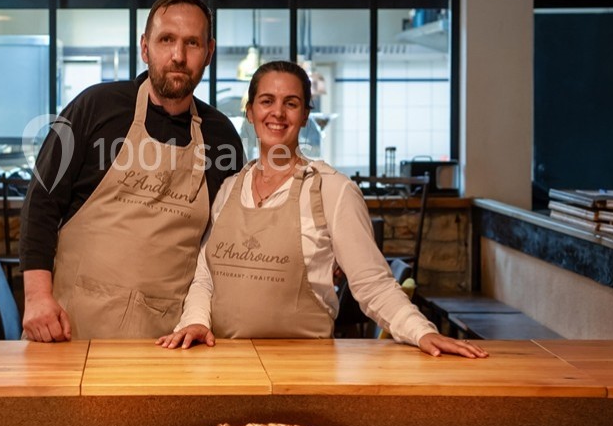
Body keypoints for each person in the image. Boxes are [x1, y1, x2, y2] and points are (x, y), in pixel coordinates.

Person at [158, 60, 487, 358]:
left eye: (291, 103)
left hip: (306, 368)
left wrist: (423, 332)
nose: (278, 113)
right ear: (250, 112)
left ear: (304, 116)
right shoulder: (229, 189)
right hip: (228, 363)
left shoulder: (333, 189)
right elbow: (205, 277)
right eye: (267, 101)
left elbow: (372, 283)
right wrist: (196, 321)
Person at [20, 0, 244, 341]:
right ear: (145, 47)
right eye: (166, 39)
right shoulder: (95, 107)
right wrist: (37, 297)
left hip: (169, 340)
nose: (178, 56)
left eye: (192, 43)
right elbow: (41, 203)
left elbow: (224, 242)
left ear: (209, 52)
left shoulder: (221, 137)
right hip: (71, 327)